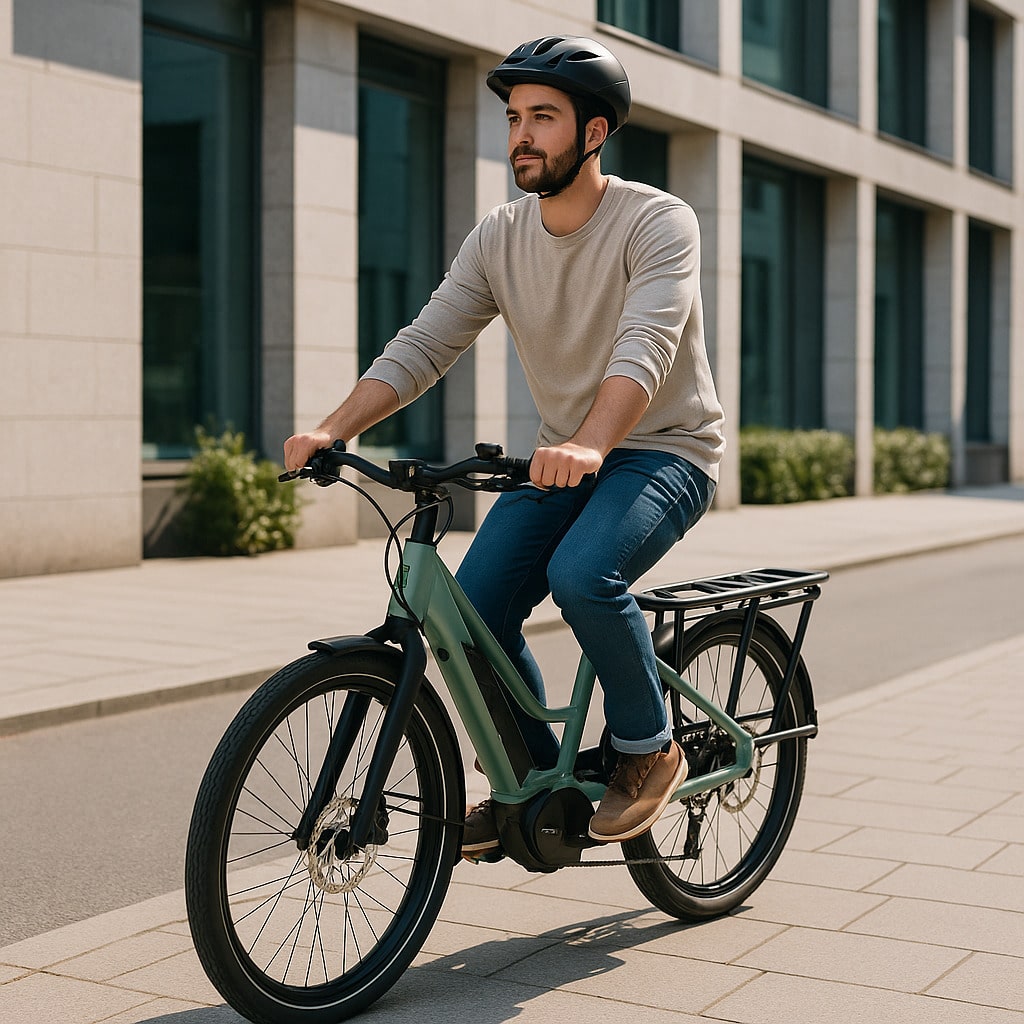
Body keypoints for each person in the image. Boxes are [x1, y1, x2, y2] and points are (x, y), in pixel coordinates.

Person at [283, 35, 725, 858]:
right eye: (515, 117)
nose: (521, 135)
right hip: (565, 453)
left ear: (594, 133)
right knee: (474, 612)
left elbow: (647, 344)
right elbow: (425, 343)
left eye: (544, 118)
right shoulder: (499, 236)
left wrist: (594, 444)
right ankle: (531, 782)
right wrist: (333, 429)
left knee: (583, 576)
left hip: (664, 451)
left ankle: (648, 747)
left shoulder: (658, 221)